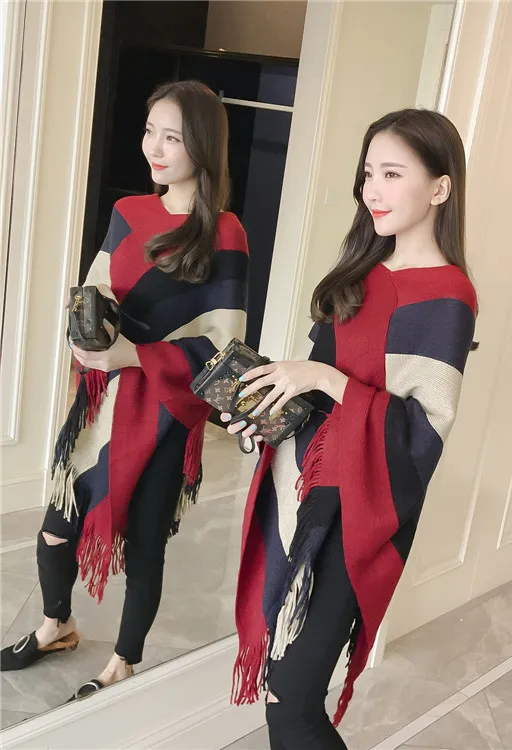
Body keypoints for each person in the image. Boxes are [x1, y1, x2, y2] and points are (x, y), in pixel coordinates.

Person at [227, 109, 478, 749]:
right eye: (369, 173)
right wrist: (264, 413)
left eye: (392, 174)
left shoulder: (448, 297)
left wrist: (324, 377)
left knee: (292, 702)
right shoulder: (360, 274)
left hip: (359, 513)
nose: (373, 190)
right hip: (305, 493)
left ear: (440, 188)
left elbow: (421, 437)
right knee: (284, 691)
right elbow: (313, 395)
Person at [0, 80, 249, 701]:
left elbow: (223, 347)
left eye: (173, 137)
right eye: (149, 132)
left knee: (143, 546)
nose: (154, 149)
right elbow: (96, 290)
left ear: (203, 145)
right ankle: (57, 624)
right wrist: (85, 330)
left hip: (165, 412)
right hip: (100, 399)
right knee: (57, 526)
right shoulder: (129, 212)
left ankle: (123, 662)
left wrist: (133, 353)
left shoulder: (224, 233)